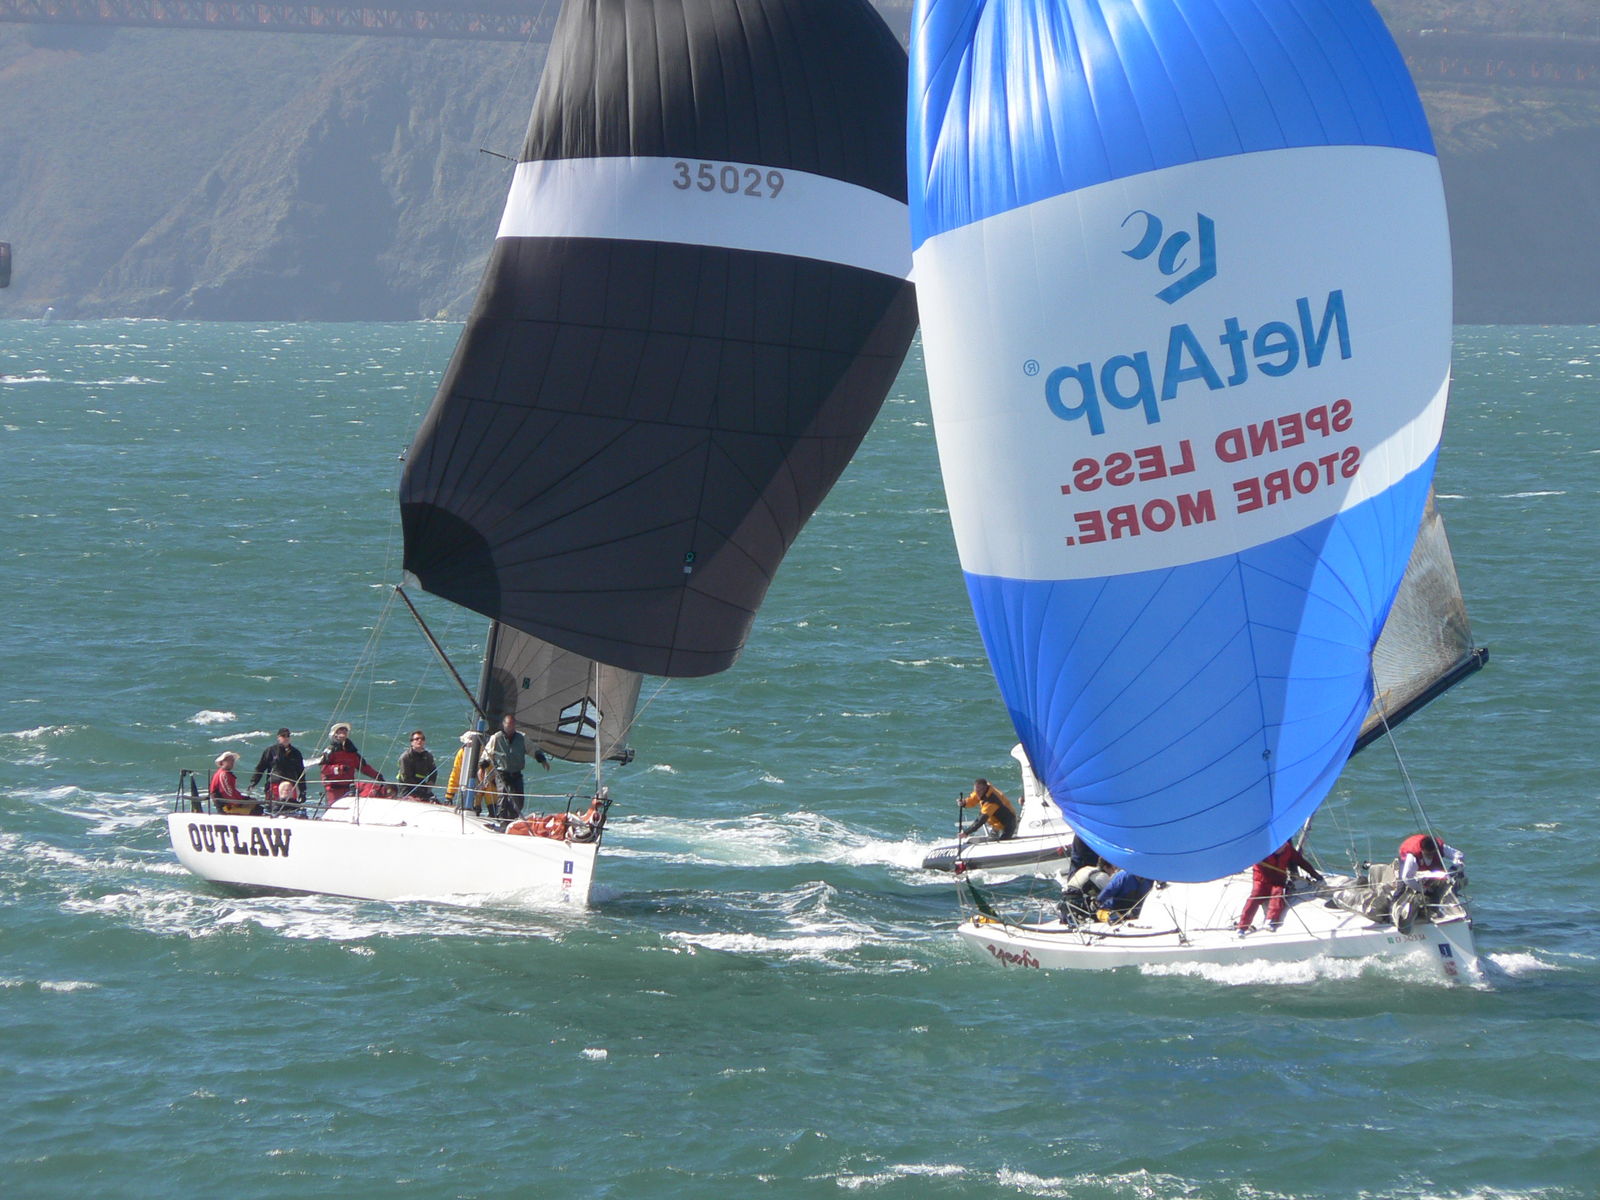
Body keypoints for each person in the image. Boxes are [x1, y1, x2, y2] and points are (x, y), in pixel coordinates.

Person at [1237, 840, 1326, 933]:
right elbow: (1247, 856)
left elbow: (1301, 861)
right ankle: (1242, 926)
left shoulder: (1288, 849)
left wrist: (1314, 874)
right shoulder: (1261, 852)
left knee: (1277, 894)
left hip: (1278, 881)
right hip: (1262, 881)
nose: (1281, 847)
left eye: (1283, 845)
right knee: (1255, 897)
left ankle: (1270, 920)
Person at [484, 713, 549, 821]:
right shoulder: (496, 738)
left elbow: (532, 749)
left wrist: (542, 759)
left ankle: (512, 818)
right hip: (502, 773)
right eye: (508, 724)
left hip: (516, 773)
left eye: (512, 725)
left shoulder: (521, 737)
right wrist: (482, 767)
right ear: (504, 724)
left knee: (518, 801)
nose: (510, 727)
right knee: (503, 798)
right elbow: (487, 753)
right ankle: (502, 821)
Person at [317, 722, 381, 804]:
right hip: (333, 788)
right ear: (335, 734)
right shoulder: (330, 751)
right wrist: (339, 769)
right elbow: (324, 768)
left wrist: (377, 776)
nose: (344, 731)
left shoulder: (352, 752)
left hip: (348, 787)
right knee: (334, 808)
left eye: (345, 730)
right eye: (341, 729)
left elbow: (363, 767)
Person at [1396, 833, 1465, 899]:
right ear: (1422, 850)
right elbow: (1406, 877)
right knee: (1401, 886)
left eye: (1433, 853)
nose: (1430, 856)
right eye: (1428, 854)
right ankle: (1394, 899)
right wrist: (1424, 890)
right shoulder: (1412, 857)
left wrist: (1454, 867)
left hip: (1425, 848)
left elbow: (1459, 855)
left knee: (1443, 877)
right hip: (1407, 849)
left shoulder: (1440, 848)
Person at [250, 727, 306, 807]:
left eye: (288, 736)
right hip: (274, 784)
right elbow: (260, 768)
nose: (286, 738)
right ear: (278, 737)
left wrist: (303, 791)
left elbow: (301, 772)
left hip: (290, 786)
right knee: (273, 808)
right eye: (283, 736)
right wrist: (253, 782)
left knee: (291, 808)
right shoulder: (271, 751)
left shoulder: (296, 753)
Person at [444, 730, 482, 812]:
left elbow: (488, 783)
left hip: (479, 788)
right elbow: (455, 774)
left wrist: (491, 805)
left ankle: (478, 806)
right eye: (468, 743)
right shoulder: (462, 753)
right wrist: (449, 796)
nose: (470, 745)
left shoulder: (483, 754)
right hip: (465, 786)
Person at [396, 729, 439, 802]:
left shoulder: (428, 756)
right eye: (417, 739)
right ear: (412, 742)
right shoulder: (405, 757)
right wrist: (420, 789)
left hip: (422, 787)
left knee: (435, 801)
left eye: (422, 739)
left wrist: (430, 784)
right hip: (407, 789)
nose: (420, 740)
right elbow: (406, 778)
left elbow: (434, 772)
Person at [209, 751, 257, 815]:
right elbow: (227, 793)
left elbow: (232, 792)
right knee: (257, 810)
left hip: (230, 803)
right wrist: (240, 803)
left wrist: (244, 799)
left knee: (254, 802)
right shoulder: (223, 774)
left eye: (233, 760)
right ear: (222, 762)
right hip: (227, 807)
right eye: (230, 760)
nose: (232, 762)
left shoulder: (223, 773)